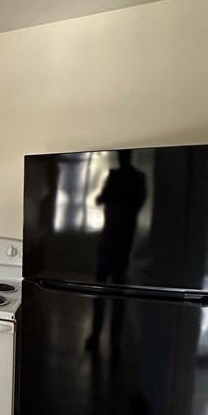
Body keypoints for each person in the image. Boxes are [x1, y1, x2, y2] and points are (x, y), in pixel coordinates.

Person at [85, 150, 147, 355]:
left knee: (115, 294)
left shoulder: (135, 178)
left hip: (120, 243)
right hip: (110, 240)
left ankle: (114, 341)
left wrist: (114, 194)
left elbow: (135, 203)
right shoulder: (118, 176)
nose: (121, 158)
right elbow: (100, 199)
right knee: (102, 292)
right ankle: (98, 337)